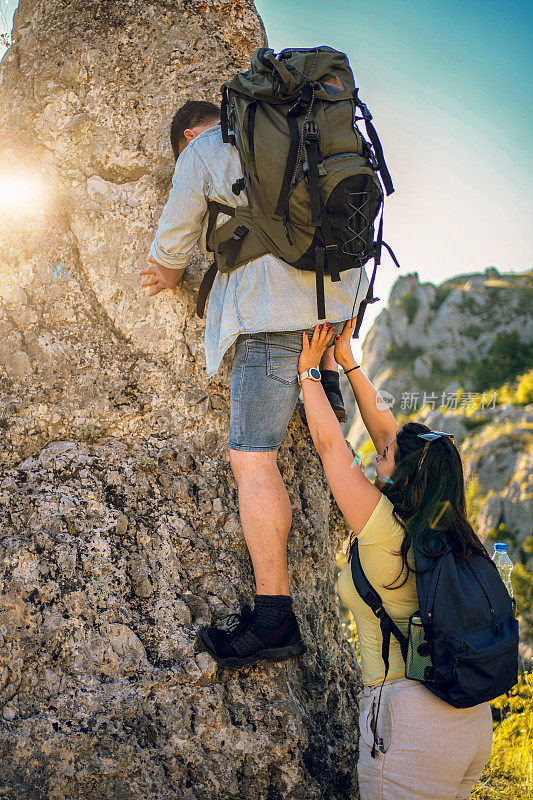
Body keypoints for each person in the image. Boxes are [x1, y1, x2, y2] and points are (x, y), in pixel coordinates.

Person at [140, 99, 370, 667]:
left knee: (253, 459)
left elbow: (173, 239)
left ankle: (274, 618)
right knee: (324, 447)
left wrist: (167, 269)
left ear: (192, 132)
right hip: (334, 314)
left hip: (273, 322)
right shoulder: (303, 137)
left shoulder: (203, 147)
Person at [298, 321, 493, 800]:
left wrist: (307, 374)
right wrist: (350, 363)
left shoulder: (382, 523)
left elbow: (330, 447)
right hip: (471, 723)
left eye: (385, 455)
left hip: (414, 721)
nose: (377, 449)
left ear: (406, 476)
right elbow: (390, 433)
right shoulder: (451, 529)